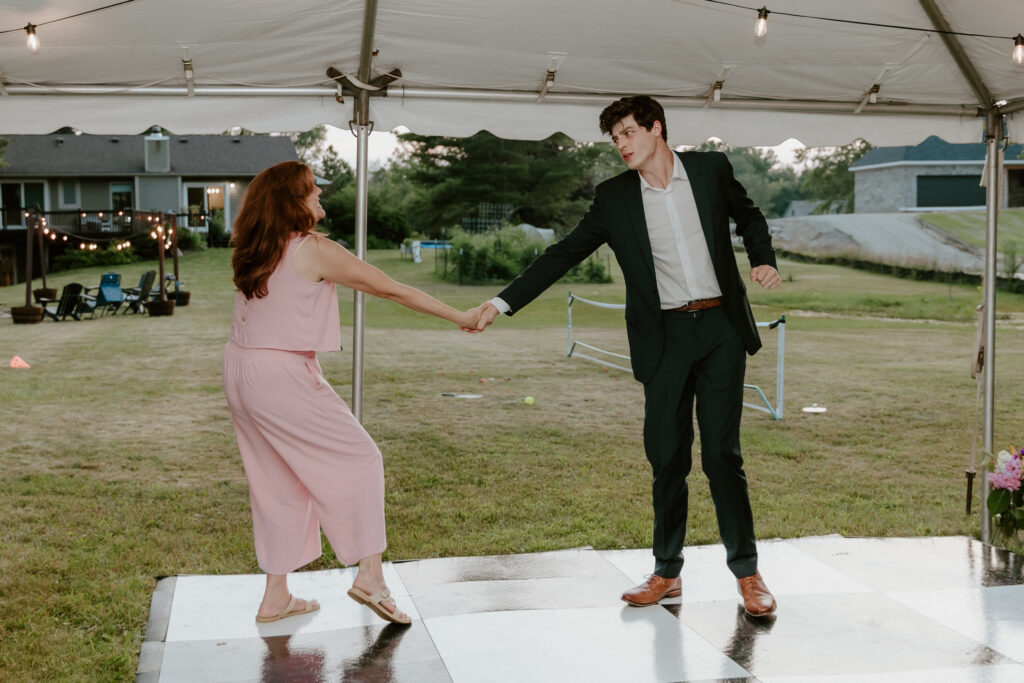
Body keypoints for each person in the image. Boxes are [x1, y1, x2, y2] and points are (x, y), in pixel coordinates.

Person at [475, 96, 781, 617]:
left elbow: (749, 217)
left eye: (627, 133)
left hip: (720, 329)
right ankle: (667, 573)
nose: (620, 144)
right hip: (662, 337)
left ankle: (748, 574)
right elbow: (564, 252)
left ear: (656, 128)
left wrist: (762, 260)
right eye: (614, 138)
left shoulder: (710, 169)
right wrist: (502, 302)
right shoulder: (614, 198)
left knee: (721, 456)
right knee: (666, 455)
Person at [223, 161, 482, 625]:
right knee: (361, 458)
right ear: (292, 199)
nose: (320, 190)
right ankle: (370, 577)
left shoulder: (255, 248)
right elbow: (392, 289)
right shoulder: (313, 250)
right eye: (311, 187)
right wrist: (460, 316)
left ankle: (276, 596)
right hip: (281, 372)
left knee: (277, 480)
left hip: (241, 367)